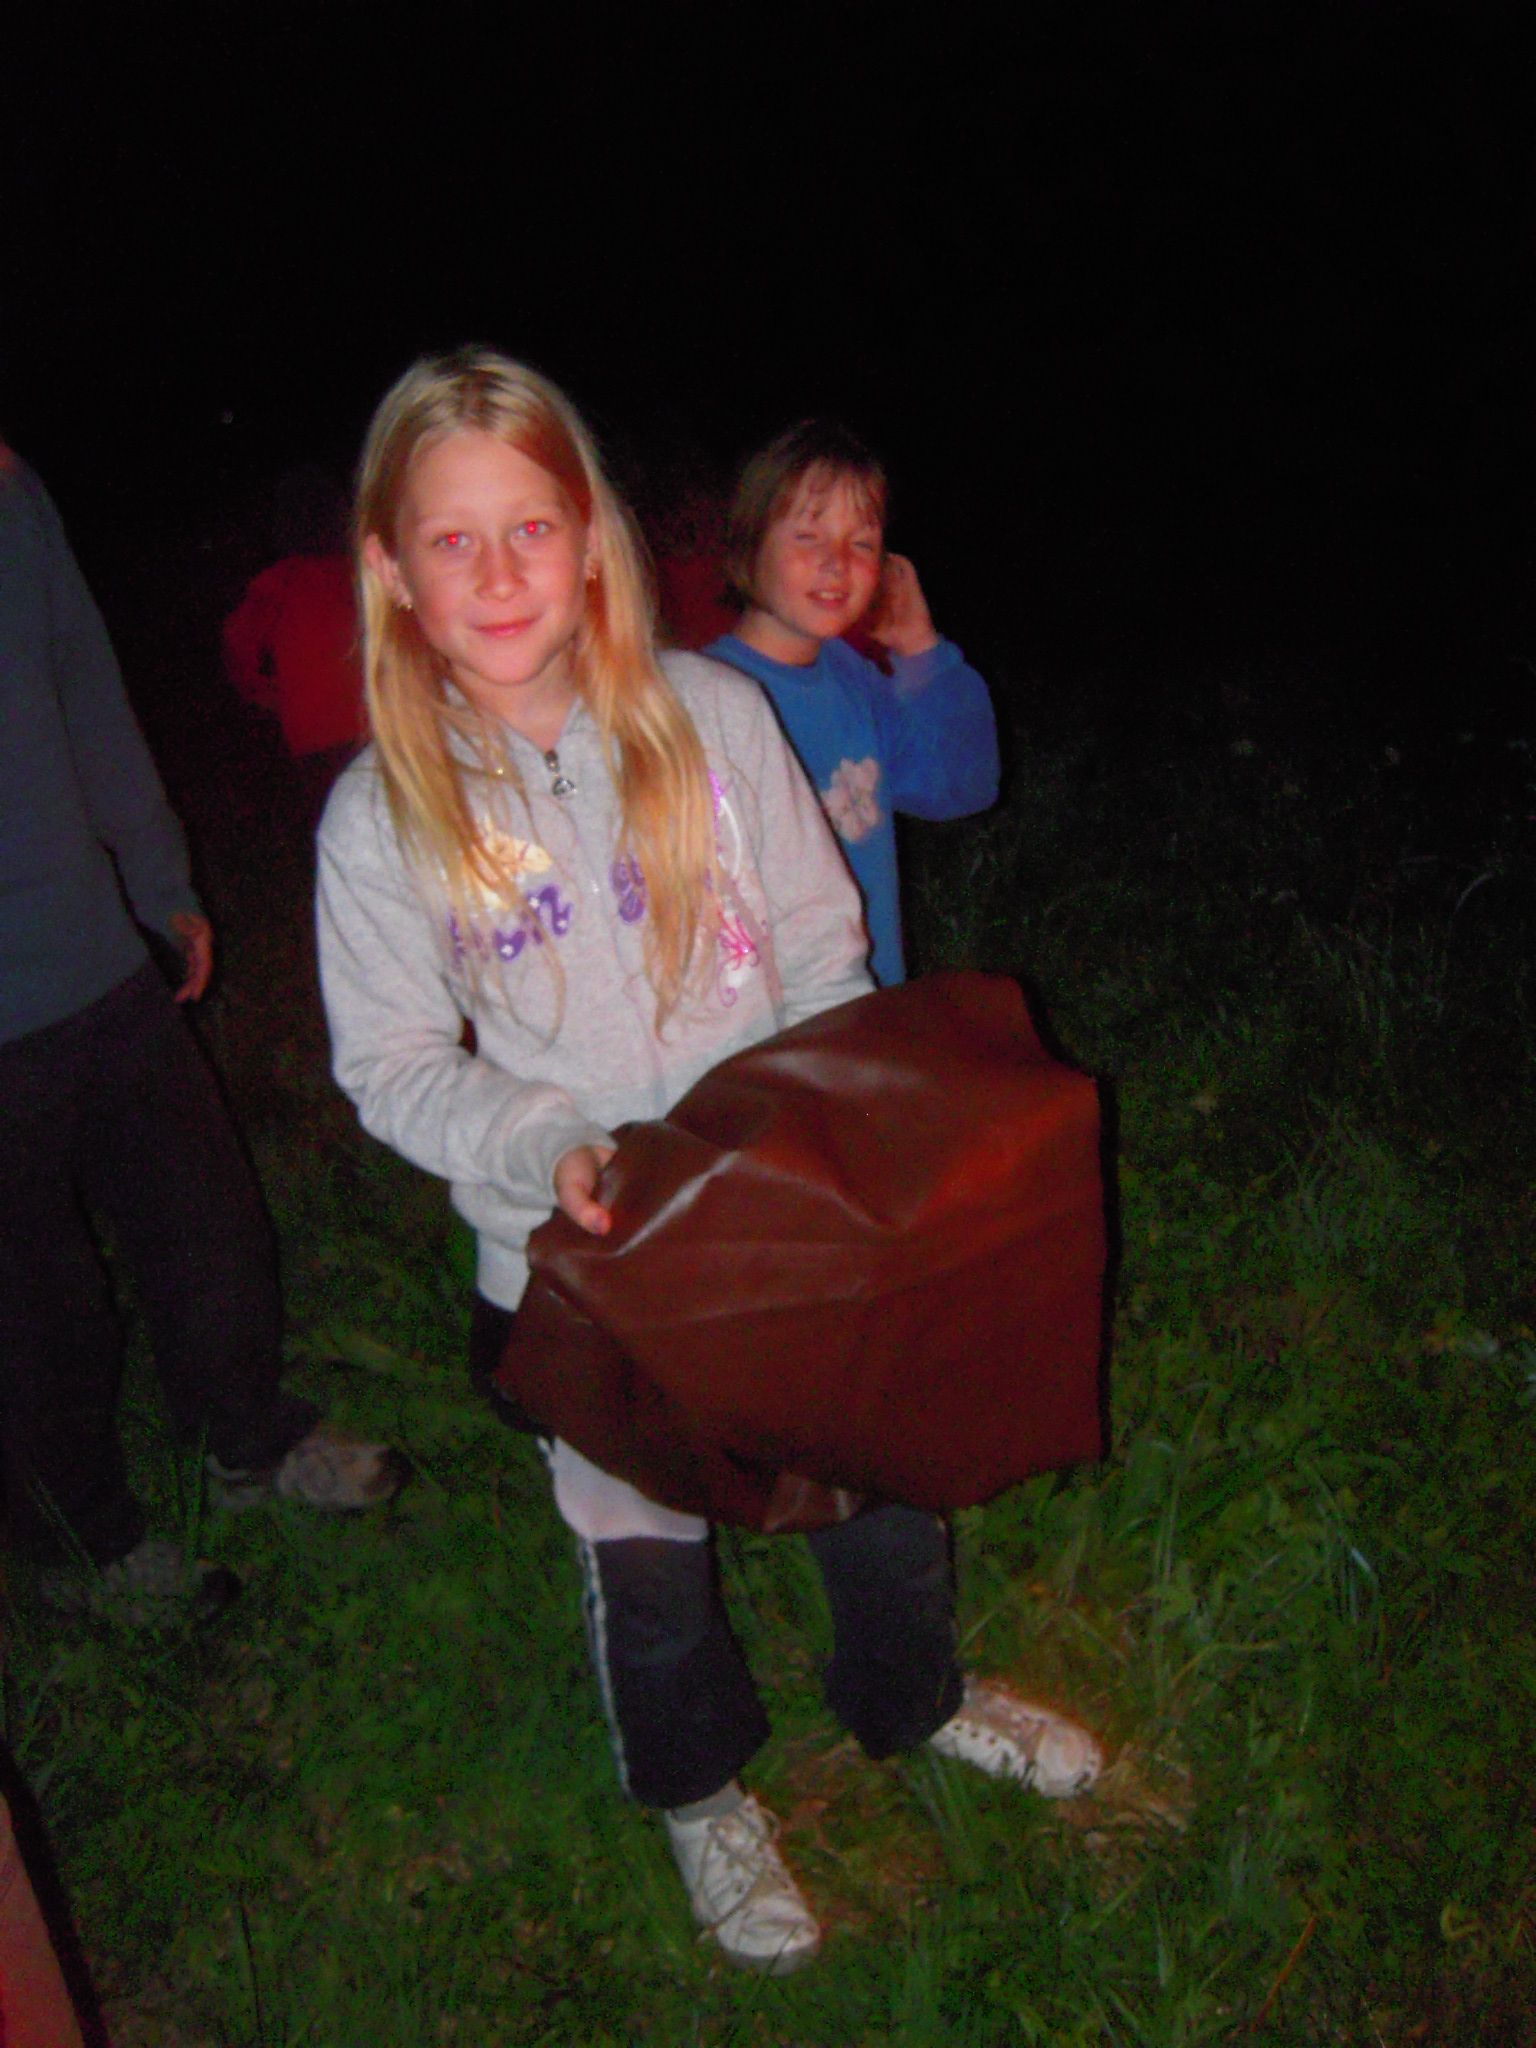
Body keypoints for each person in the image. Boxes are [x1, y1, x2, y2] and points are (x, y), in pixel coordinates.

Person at [316, 349, 1101, 1977]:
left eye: (532, 528)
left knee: (876, 1484)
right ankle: (698, 1790)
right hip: (585, 1258)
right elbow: (390, 1063)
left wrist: (849, 1129)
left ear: (593, 537)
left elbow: (820, 945)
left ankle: (916, 1696)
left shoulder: (718, 716)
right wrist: (542, 1139)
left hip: (785, 1218)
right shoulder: (379, 818)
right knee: (647, 1555)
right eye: (453, 540)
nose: (500, 575)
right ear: (390, 570)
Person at [0, 444, 403, 1617]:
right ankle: (78, 1543)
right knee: (37, 1302)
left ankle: (249, 1442)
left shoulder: (13, 489)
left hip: (92, 948)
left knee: (206, 1220)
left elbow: (85, 687)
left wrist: (157, 873)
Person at [706, 420, 1000, 987]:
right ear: (749, 543)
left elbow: (962, 786)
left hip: (870, 1003)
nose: (837, 562)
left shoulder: (853, 680)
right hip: (769, 1020)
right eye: (808, 535)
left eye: (861, 543)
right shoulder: (706, 698)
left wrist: (920, 649)